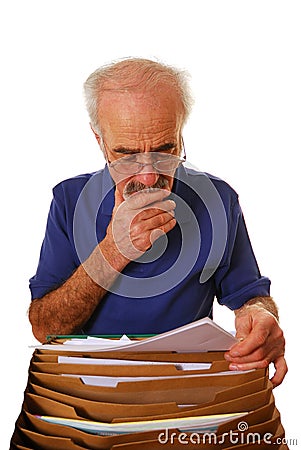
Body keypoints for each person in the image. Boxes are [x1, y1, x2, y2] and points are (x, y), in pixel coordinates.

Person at [28, 58, 287, 387]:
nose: (149, 175)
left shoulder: (218, 200)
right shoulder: (69, 200)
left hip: (184, 389)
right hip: (90, 390)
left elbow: (250, 295)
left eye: (166, 149)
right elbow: (44, 326)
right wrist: (112, 252)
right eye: (127, 153)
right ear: (100, 141)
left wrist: (262, 315)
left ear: (180, 135)